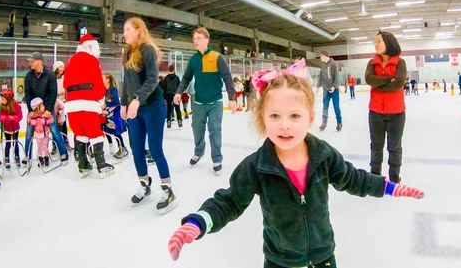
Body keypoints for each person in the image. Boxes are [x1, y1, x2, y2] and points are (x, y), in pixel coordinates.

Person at [167, 63, 424, 267]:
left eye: (294, 116)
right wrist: (199, 222)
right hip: (280, 261)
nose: (285, 124)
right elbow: (229, 201)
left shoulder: (323, 155)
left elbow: (354, 179)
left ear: (310, 118)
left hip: (324, 258)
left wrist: (389, 187)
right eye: (275, 116)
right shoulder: (256, 165)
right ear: (263, 118)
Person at [120, 17, 176, 212]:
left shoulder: (148, 50)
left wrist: (136, 99)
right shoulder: (128, 52)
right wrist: (123, 103)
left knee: (155, 149)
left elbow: (152, 79)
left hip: (152, 106)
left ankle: (168, 190)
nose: (124, 32)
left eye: (128, 29)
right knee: (136, 149)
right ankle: (145, 184)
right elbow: (126, 81)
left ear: (138, 30)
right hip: (135, 107)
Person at [173, 27, 236, 175]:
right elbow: (186, 78)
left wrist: (232, 98)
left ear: (207, 40)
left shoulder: (216, 57)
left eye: (198, 38)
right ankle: (199, 152)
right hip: (199, 102)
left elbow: (227, 77)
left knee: (214, 130)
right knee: (197, 129)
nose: (195, 41)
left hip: (215, 101)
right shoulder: (194, 59)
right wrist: (178, 92)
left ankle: (217, 158)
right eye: (194, 39)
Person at [64, 34, 114, 179]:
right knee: (95, 132)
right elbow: (97, 82)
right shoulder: (92, 60)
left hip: (71, 103)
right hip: (88, 102)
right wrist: (100, 100)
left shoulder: (71, 61)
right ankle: (102, 165)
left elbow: (66, 83)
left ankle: (83, 164)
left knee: (80, 133)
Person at [364, 31, 407, 183]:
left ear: (389, 42)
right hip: (375, 112)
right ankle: (375, 176)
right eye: (374, 42)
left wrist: (379, 83)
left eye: (379, 41)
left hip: (396, 113)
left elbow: (398, 83)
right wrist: (389, 79)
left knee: (394, 147)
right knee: (376, 146)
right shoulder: (372, 63)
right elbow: (369, 79)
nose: (376, 44)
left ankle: (394, 177)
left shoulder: (400, 62)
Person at [24, 52, 69, 163]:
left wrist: (48, 109)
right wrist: (31, 111)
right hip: (34, 109)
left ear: (40, 62)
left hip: (47, 108)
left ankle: (63, 153)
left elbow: (53, 93)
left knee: (54, 130)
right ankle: (27, 156)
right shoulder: (29, 76)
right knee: (29, 132)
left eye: (32, 61)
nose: (30, 63)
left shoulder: (50, 75)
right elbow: (28, 94)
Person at [102, 73, 128, 158]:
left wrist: (108, 111)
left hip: (115, 114)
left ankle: (122, 148)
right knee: (110, 131)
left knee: (116, 132)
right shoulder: (104, 90)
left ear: (108, 79)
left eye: (103, 78)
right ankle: (118, 147)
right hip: (108, 114)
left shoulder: (113, 89)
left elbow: (116, 103)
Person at [317, 50, 342, 132]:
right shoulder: (323, 65)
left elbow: (336, 76)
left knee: (336, 107)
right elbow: (320, 77)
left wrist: (334, 87)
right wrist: (318, 87)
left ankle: (339, 122)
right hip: (325, 90)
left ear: (324, 55)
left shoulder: (333, 64)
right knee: (325, 106)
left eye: (321, 56)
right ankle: (324, 123)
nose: (320, 58)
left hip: (334, 90)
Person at [0, 89, 23, 169]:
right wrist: (2, 118)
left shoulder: (16, 106)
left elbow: (20, 116)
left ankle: (17, 156)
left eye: (3, 99)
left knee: (15, 143)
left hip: (15, 128)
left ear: (8, 99)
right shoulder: (2, 107)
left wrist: (15, 118)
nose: (1, 100)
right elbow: (0, 115)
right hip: (7, 128)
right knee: (7, 143)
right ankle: (7, 158)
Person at [28, 98, 54, 168]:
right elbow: (28, 119)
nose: (44, 107)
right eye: (42, 106)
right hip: (37, 134)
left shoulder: (45, 114)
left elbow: (52, 119)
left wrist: (46, 122)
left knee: (45, 147)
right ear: (37, 107)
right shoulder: (33, 115)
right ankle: (40, 159)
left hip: (45, 133)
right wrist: (31, 122)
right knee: (39, 147)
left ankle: (46, 158)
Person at [53, 61, 70, 150]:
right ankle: (54, 144)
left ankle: (66, 141)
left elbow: (68, 89)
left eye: (63, 67)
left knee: (63, 123)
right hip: (55, 103)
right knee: (54, 125)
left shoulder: (65, 78)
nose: (62, 69)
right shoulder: (52, 78)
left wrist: (64, 93)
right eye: (60, 67)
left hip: (63, 102)